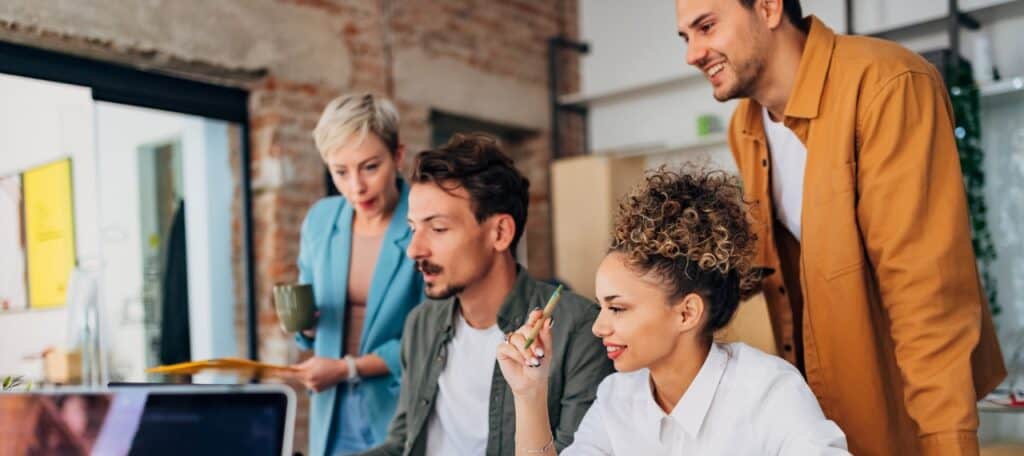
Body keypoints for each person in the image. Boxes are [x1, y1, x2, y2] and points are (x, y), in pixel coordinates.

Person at [674, 0, 1006, 453]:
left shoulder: (887, 83)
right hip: (823, 413)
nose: (692, 54)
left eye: (707, 27)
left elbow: (927, 291)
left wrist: (947, 441)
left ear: (768, 8)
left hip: (908, 406)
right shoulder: (745, 127)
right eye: (686, 37)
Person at [499, 167, 848, 454]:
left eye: (617, 308)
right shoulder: (616, 397)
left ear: (686, 313)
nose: (598, 327)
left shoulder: (768, 390)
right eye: (602, 306)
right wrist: (530, 395)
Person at [359, 133, 613, 456]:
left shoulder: (579, 329)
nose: (414, 249)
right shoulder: (421, 324)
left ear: (500, 233)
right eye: (413, 228)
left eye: (437, 229)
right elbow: (401, 445)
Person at [288, 93, 424, 455]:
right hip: (332, 409)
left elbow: (432, 334)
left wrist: (347, 368)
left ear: (398, 156)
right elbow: (309, 333)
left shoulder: (425, 221)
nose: (356, 187)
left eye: (370, 167)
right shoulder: (320, 220)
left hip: (399, 405)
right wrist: (306, 325)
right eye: (340, 172)